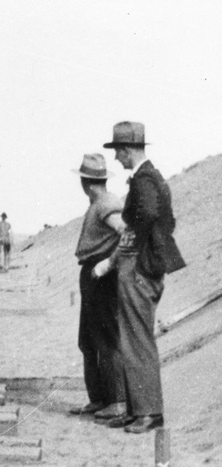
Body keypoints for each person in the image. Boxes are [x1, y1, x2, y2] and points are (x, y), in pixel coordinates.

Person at [95, 122, 185, 434]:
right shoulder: (153, 178)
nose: (117, 158)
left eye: (118, 151)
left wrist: (134, 250)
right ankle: (138, 411)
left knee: (137, 341)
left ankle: (149, 413)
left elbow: (146, 216)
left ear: (128, 149)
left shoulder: (145, 179)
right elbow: (167, 221)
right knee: (132, 339)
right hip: (145, 266)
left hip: (139, 269)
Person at [68, 153, 127, 420]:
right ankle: (99, 399)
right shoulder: (99, 203)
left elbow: (125, 234)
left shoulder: (107, 204)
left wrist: (109, 264)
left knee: (106, 339)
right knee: (88, 341)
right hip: (92, 276)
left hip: (103, 278)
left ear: (86, 182)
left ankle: (117, 401)